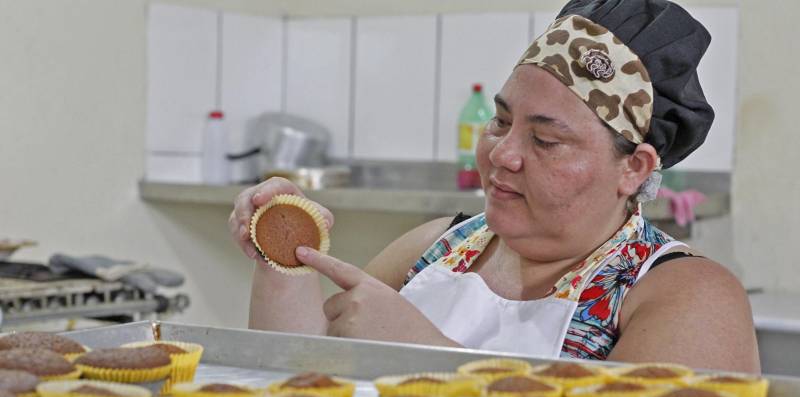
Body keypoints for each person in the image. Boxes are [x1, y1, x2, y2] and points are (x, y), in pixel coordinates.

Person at [229, 0, 759, 374]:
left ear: (635, 169)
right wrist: (281, 262)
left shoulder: (686, 295)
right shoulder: (437, 247)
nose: (502, 154)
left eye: (546, 140)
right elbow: (297, 376)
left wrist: (432, 359)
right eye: (501, 122)